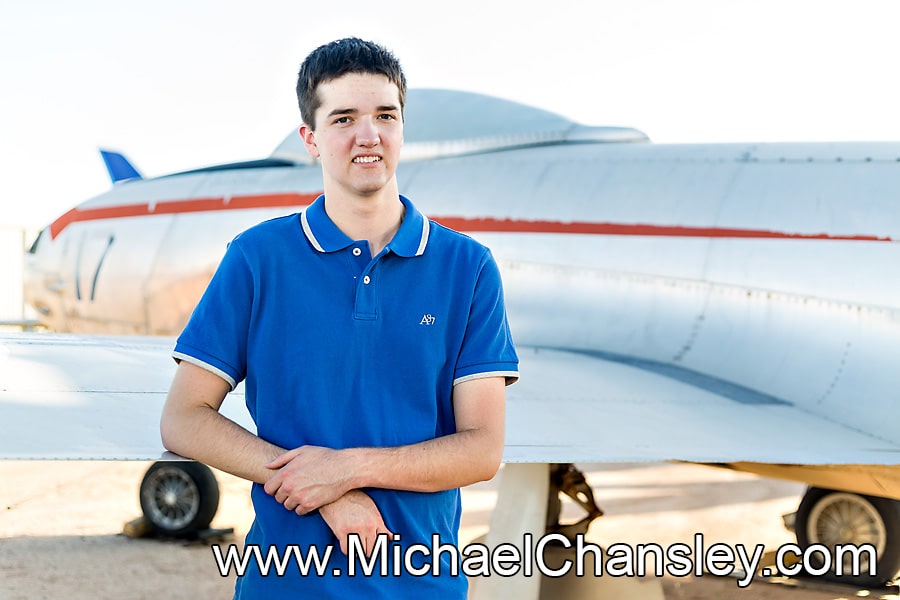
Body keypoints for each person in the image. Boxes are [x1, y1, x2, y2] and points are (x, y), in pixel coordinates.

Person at [160, 37, 519, 598]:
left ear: (402, 128)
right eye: (344, 118)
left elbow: (482, 449)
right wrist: (326, 489)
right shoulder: (258, 258)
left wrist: (346, 470)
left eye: (385, 116)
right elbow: (184, 418)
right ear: (311, 138)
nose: (368, 135)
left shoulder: (467, 268)